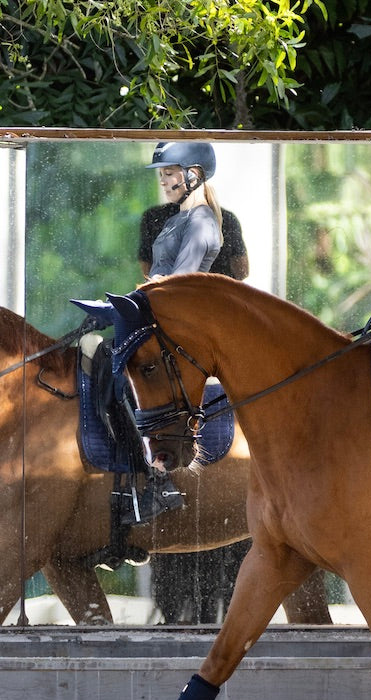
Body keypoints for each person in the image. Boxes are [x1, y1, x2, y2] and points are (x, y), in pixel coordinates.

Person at [123, 140, 223, 525]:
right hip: (155, 318)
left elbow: (178, 284)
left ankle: (157, 482)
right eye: (162, 174)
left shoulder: (201, 221)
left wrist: (143, 295)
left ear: (193, 175)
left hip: (173, 329)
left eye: (170, 173)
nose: (164, 181)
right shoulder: (176, 219)